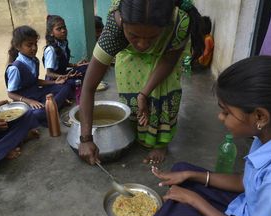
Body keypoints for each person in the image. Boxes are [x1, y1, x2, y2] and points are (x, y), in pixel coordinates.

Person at [148, 56, 271, 216]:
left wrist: (194, 200)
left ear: (260, 116)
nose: (220, 117)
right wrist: (190, 175)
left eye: (226, 112)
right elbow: (247, 182)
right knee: (182, 170)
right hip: (247, 205)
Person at [78, 0, 204, 165]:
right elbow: (88, 87)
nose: (143, 45)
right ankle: (136, 134)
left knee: (164, 96)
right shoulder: (113, 29)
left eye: (152, 37)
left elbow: (168, 61)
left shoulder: (180, 22)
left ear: (166, 25)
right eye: (134, 35)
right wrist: (86, 138)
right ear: (122, 22)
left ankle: (160, 143)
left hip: (162, 56)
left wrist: (144, 93)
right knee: (133, 104)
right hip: (130, 61)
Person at [6, 25, 72, 126]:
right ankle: (52, 108)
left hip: (38, 93)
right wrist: (30, 101)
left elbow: (35, 81)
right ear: (18, 46)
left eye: (35, 44)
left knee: (65, 86)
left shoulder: (34, 60)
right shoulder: (15, 68)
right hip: (26, 101)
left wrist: (54, 82)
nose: (34, 48)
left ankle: (51, 108)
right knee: (38, 113)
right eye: (29, 45)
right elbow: (11, 94)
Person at [42, 15, 88, 83]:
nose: (63, 31)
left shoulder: (63, 44)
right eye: (59, 29)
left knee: (86, 67)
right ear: (51, 33)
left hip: (64, 74)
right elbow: (49, 73)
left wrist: (75, 65)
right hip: (56, 79)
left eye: (64, 27)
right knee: (74, 83)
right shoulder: (50, 50)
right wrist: (66, 76)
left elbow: (61, 64)